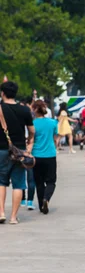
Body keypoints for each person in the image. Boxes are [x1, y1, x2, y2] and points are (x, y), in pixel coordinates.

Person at [0, 81, 35, 224]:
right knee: (19, 184)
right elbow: (32, 131)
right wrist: (29, 144)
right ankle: (13, 217)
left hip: (1, 150)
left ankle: (1, 212)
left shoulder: (0, 108)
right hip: (20, 151)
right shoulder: (25, 110)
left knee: (1, 182)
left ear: (2, 93)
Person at [31, 100, 58, 216]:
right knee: (51, 181)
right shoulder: (53, 123)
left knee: (39, 182)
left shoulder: (32, 124)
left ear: (35, 109)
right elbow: (55, 138)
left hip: (36, 155)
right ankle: (46, 199)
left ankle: (41, 205)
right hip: (50, 155)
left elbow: (30, 140)